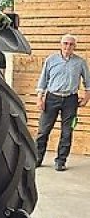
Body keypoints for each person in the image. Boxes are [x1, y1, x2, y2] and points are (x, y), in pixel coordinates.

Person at [35, 34, 90, 170]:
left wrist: (86, 98)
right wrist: (39, 98)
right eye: (65, 43)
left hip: (71, 101)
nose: (68, 47)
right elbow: (43, 80)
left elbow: (88, 83)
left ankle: (61, 161)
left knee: (67, 132)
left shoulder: (80, 62)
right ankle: (37, 158)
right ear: (61, 44)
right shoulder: (51, 60)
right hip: (52, 98)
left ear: (75, 46)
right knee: (43, 131)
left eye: (71, 44)